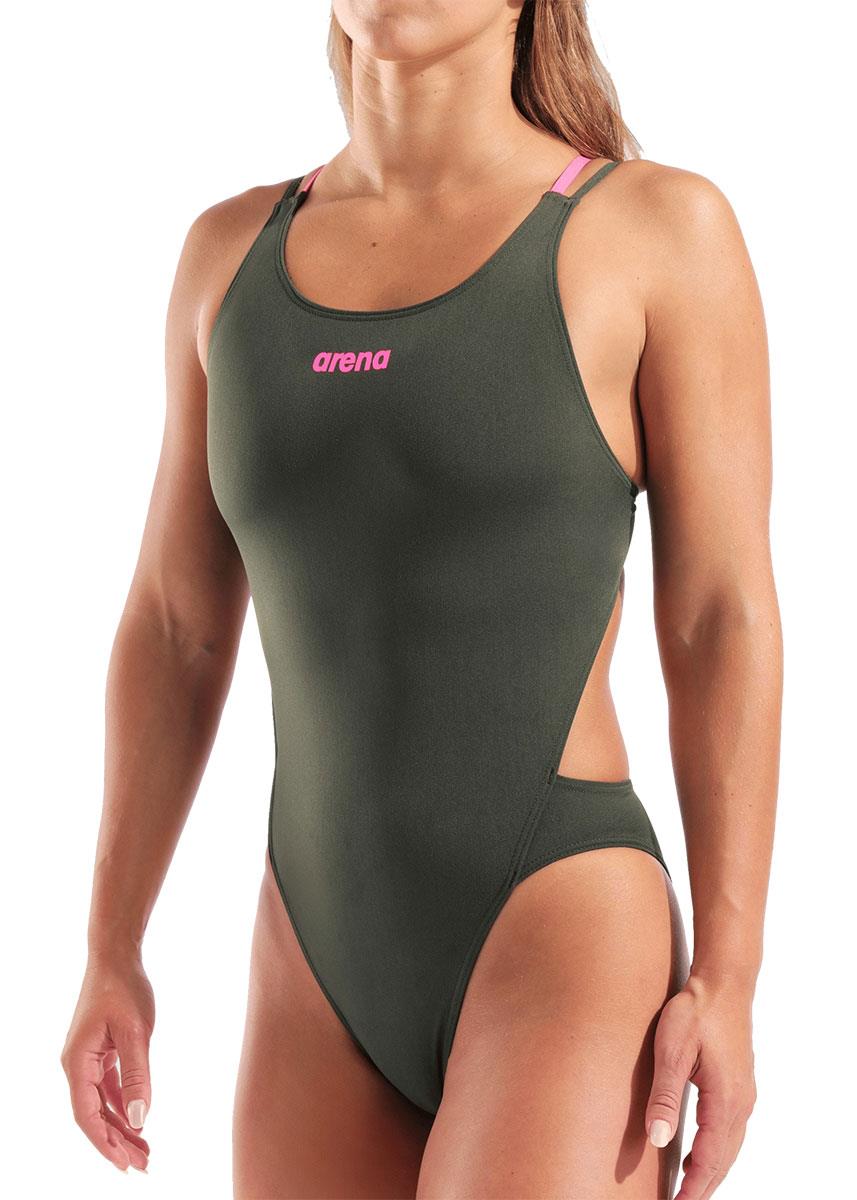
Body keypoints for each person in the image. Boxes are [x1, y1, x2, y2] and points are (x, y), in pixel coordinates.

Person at [61, 2, 782, 1197]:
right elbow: (175, 624)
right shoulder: (227, 254)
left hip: (556, 925)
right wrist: (111, 944)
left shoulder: (653, 231)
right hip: (313, 948)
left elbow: (718, 616)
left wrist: (730, 975)